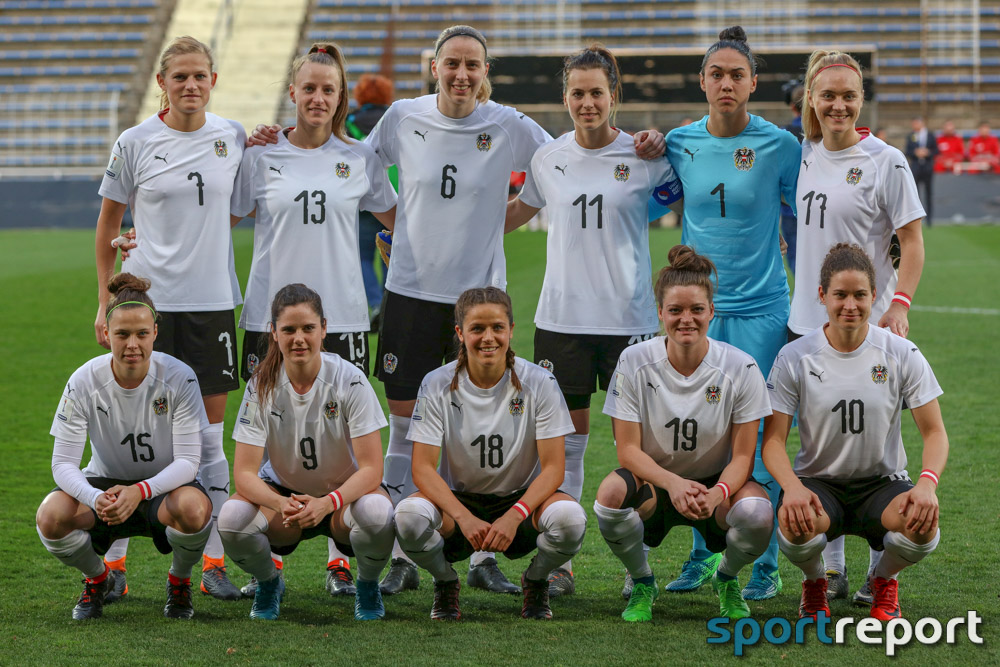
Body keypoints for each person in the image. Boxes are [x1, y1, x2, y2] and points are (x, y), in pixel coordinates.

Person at [251, 24, 663, 595]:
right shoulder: (401, 117)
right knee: (402, 427)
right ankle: (398, 551)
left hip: (479, 302)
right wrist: (275, 141)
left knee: (474, 430)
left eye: (473, 65)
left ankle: (479, 558)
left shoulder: (510, 125)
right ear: (436, 69)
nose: (462, 74)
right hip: (411, 294)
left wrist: (635, 146)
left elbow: (569, 162)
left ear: (485, 73)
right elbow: (350, 169)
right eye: (452, 64)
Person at [504, 43, 682, 597]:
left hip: (630, 322)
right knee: (569, 447)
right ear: (565, 98)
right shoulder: (547, 159)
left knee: (645, 454)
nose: (587, 102)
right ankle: (562, 561)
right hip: (563, 321)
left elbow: (691, 200)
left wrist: (666, 142)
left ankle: (639, 572)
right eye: (578, 93)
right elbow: (514, 216)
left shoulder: (647, 155)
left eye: (596, 93)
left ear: (614, 97)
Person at [231, 44, 397, 598]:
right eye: (309, 88)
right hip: (266, 319)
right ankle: (267, 556)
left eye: (329, 89)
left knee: (343, 438)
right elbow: (217, 216)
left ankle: (338, 561)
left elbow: (397, 219)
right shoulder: (260, 156)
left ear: (340, 96)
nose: (319, 97)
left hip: (343, 317)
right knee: (270, 428)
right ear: (292, 93)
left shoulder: (362, 159)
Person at [647, 26, 800, 601]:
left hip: (762, 310)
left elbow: (811, 209)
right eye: (717, 74)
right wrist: (645, 143)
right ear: (703, 81)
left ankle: (765, 564)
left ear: (753, 83)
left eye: (737, 74)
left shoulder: (783, 147)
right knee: (699, 436)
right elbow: (651, 186)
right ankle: (703, 555)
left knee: (759, 436)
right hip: (698, 312)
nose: (727, 83)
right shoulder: (680, 143)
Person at [93, 36, 245, 600]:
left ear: (213, 80)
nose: (190, 85)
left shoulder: (232, 136)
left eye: (199, 76)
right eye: (179, 76)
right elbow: (108, 223)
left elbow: (235, 208)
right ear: (163, 82)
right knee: (129, 435)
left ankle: (212, 563)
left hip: (211, 306)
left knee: (208, 439)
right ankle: (113, 567)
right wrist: (105, 303)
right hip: (148, 306)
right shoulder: (135, 142)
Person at [788, 50, 927, 604]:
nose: (838, 104)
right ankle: (835, 566)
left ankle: (878, 569)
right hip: (806, 325)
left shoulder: (885, 160)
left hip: (867, 325)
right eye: (828, 95)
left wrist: (901, 302)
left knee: (879, 435)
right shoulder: (803, 153)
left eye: (848, 94)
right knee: (817, 441)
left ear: (861, 98)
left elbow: (912, 242)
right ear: (811, 101)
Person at [763, 243, 947, 621]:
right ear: (821, 296)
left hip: (882, 484)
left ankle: (883, 580)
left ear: (874, 296)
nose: (850, 305)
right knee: (792, 524)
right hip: (819, 484)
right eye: (840, 295)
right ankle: (815, 584)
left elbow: (934, 432)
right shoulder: (795, 357)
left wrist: (927, 484)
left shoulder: (901, 353)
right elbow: (773, 442)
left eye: (860, 295)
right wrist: (793, 489)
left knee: (923, 528)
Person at [595, 246, 773, 621]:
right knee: (610, 495)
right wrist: (673, 484)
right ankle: (643, 581)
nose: (686, 319)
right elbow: (627, 451)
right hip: (655, 482)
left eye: (696, 309)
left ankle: (726, 579)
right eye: (675, 310)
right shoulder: (634, 360)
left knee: (758, 513)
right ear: (660, 313)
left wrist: (719, 492)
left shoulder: (741, 367)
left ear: (712, 311)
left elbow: (743, 457)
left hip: (715, 486)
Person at [393, 287, 587, 620]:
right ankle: (445, 581)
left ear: (512, 330)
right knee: (407, 518)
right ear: (460, 333)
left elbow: (555, 468)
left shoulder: (539, 381)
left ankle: (536, 580)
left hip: (522, 503)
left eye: (497, 327)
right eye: (477, 329)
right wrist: (464, 517)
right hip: (460, 504)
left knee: (571, 521)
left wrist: (515, 515)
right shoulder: (437, 383)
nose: (488, 338)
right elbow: (422, 469)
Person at [37, 273, 213, 620]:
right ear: (107, 334)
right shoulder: (83, 380)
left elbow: (190, 461)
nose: (133, 344)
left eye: (142, 334)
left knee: (194, 510)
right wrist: (93, 497)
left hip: (163, 490)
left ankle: (179, 581)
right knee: (51, 516)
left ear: (155, 334)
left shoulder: (180, 377)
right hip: (103, 493)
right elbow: (62, 464)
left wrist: (141, 491)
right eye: (122, 334)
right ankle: (97, 578)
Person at [217, 284, 394, 620]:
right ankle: (269, 582)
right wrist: (283, 504)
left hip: (343, 499)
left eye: (308, 328)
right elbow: (243, 474)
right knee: (231, 521)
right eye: (289, 330)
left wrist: (327, 503)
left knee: (377, 513)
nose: (299, 338)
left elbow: (372, 470)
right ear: (273, 332)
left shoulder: (349, 380)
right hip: (287, 501)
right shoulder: (261, 385)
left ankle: (368, 585)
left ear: (324, 329)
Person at [346, 73, 398, 327]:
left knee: (363, 256)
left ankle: (376, 303)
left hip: (361, 196)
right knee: (390, 254)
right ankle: (391, 305)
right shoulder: (394, 119)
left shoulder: (349, 121)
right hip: (394, 197)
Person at [781, 80, 804, 275]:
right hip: (821, 206)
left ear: (792, 107)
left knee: (796, 259)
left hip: (789, 208)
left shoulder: (783, 134)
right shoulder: (826, 133)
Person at [904, 117, 937, 225]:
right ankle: (916, 219)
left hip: (927, 167)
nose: (914, 126)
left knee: (928, 193)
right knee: (915, 194)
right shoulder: (911, 136)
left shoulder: (931, 135)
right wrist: (916, 152)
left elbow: (936, 150)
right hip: (916, 167)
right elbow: (907, 151)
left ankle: (929, 219)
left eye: (916, 123)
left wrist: (927, 152)